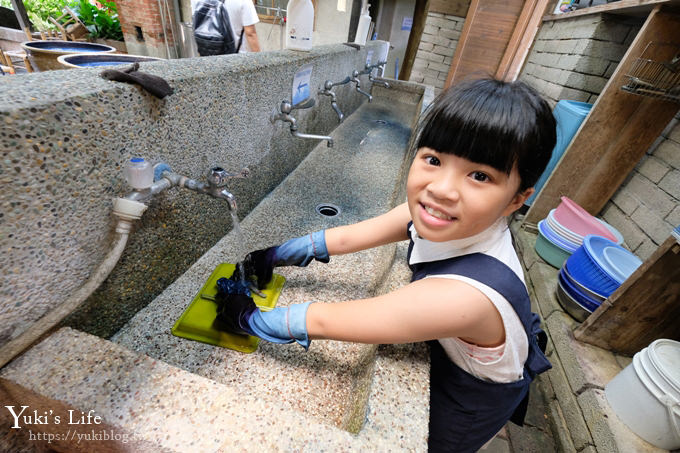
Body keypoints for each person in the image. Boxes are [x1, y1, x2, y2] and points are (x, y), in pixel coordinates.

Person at [216, 78, 556, 452]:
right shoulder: (445, 214)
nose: (442, 188)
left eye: (480, 176)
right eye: (433, 159)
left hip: (463, 407)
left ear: (516, 199)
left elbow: (327, 321)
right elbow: (350, 236)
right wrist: (277, 253)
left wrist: (247, 317)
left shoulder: (466, 297)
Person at [191, 0, 261, 53]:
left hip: (208, 57)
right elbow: (250, 33)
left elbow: (198, 24)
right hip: (236, 57)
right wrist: (261, 63)